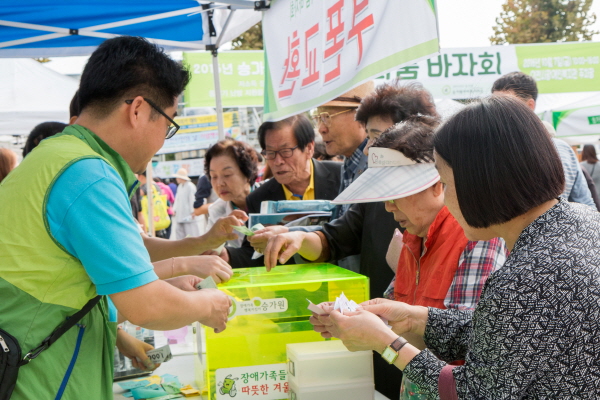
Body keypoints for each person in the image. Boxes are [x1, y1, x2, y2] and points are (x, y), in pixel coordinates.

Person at [311, 95, 600, 398]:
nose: (445, 199)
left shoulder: (522, 278)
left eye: (447, 184)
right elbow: (503, 336)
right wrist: (415, 318)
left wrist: (387, 344)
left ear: (481, 181)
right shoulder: (582, 221)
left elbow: (471, 392)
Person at [0, 36, 235, 399]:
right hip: (42, 382)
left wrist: (194, 247)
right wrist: (208, 305)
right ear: (138, 110)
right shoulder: (89, 175)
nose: (162, 141)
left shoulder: (56, 156)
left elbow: (116, 248)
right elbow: (147, 305)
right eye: (168, 124)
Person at [268, 116, 506, 400]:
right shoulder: (410, 237)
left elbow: (465, 343)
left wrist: (380, 337)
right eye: (385, 194)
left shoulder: (476, 238)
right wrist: (350, 315)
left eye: (398, 193)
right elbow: (393, 310)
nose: (388, 206)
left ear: (437, 184)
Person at [223, 114, 342, 267]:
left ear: (309, 148)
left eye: (286, 151)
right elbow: (253, 254)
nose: (278, 161)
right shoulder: (258, 198)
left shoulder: (341, 178)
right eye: (270, 153)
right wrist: (226, 255)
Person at [492, 71, 595, 208]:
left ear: (529, 106)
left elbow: (585, 205)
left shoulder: (561, 149)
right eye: (492, 105)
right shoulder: (489, 149)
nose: (495, 112)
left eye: (505, 105)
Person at [205, 138, 260, 248]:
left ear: (248, 174)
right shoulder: (217, 211)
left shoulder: (272, 195)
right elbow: (210, 250)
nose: (219, 183)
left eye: (227, 174)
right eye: (214, 176)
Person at [173, 167, 200, 239]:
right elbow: (177, 199)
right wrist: (174, 209)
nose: (176, 179)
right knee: (179, 233)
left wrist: (193, 211)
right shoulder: (179, 186)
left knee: (191, 233)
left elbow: (192, 199)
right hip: (180, 213)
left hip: (188, 213)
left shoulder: (190, 186)